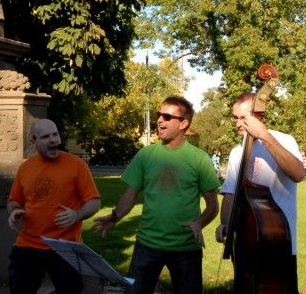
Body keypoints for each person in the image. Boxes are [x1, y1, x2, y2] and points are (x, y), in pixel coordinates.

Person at [93, 96, 220, 294]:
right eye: (159, 115)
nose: (160, 120)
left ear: (183, 123)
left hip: (186, 249)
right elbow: (130, 194)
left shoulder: (200, 159)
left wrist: (199, 223)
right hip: (147, 245)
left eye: (167, 116)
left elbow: (213, 205)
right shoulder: (146, 155)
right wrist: (115, 216)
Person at [215, 92, 305, 293]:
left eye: (243, 118)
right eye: (235, 118)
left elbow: (298, 173)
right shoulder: (236, 152)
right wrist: (225, 223)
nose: (238, 124)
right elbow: (230, 193)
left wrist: (264, 136)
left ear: (259, 116)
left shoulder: (284, 140)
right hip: (244, 241)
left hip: (277, 242)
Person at [7, 118, 101, 293]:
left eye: (55, 134)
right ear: (33, 142)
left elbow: (94, 201)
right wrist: (15, 210)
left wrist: (77, 215)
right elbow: (13, 201)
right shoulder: (25, 168)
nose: (53, 140)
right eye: (46, 137)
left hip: (65, 246)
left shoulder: (77, 165)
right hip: (28, 244)